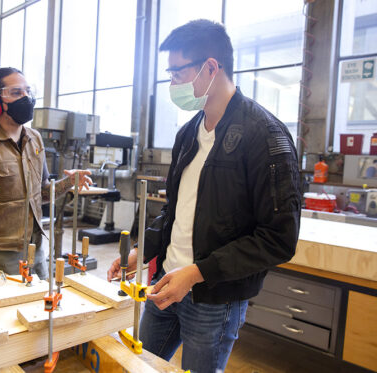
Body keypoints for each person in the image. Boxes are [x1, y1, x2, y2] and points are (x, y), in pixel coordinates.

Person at [107, 20, 301, 373]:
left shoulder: (264, 135)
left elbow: (278, 238)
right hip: (165, 283)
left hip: (214, 298)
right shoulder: (188, 134)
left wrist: (197, 273)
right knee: (139, 366)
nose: (172, 84)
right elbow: (177, 211)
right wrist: (143, 250)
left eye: (177, 73)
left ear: (211, 67)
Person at [0, 67, 92, 280]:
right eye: (16, 92)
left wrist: (69, 182)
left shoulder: (35, 139)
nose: (26, 98)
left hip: (35, 247)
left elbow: (42, 194)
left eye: (27, 91)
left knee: (40, 307)